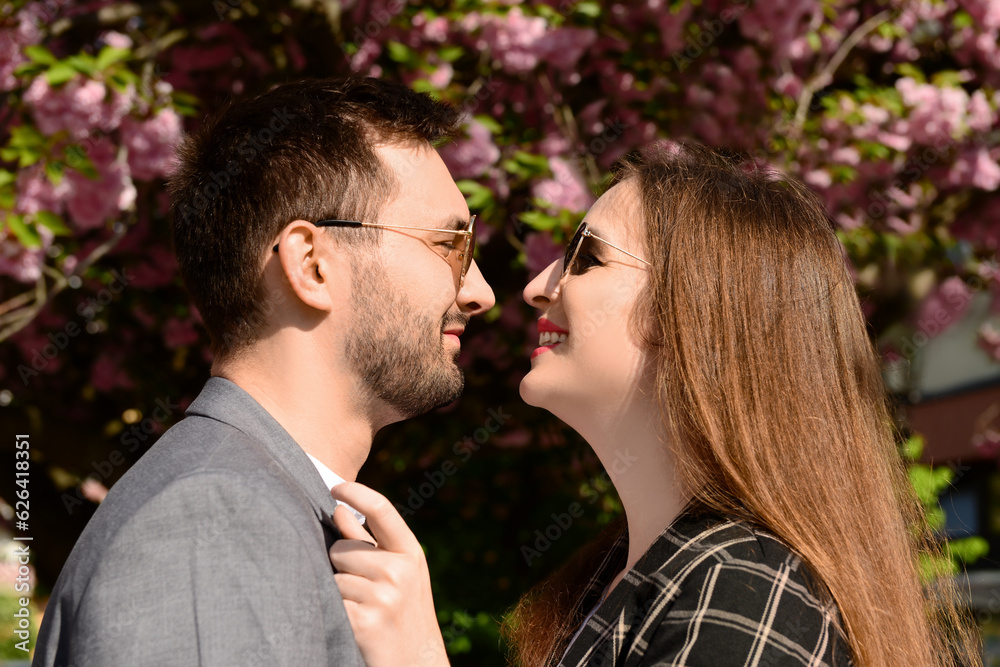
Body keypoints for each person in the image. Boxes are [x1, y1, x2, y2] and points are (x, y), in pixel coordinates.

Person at [327, 144, 978, 666]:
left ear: (693, 308)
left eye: (587, 258)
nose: (534, 286)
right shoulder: (626, 572)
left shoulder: (741, 589)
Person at [33, 76, 494, 666]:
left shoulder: (255, 506)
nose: (480, 291)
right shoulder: (214, 523)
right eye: (450, 244)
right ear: (312, 265)